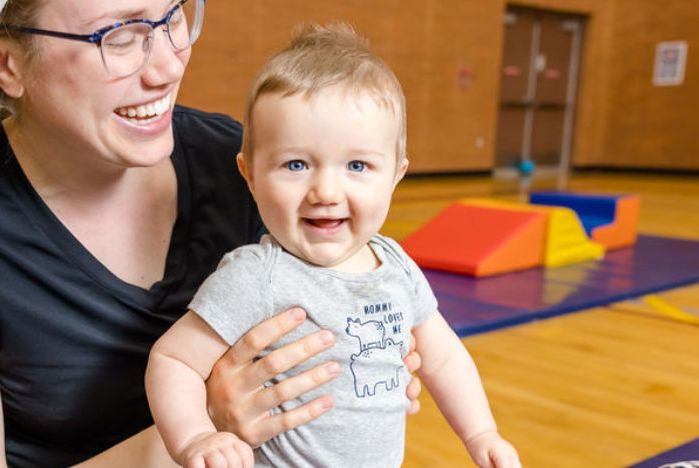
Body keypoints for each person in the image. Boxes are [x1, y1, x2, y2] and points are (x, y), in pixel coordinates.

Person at [0, 0, 423, 466]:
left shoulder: (238, 166)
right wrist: (205, 425)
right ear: (3, 60)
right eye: (119, 36)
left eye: (175, 14)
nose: (167, 66)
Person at [146, 23, 520, 468]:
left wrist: (481, 432)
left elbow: (444, 358)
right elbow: (173, 359)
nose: (325, 190)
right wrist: (196, 438)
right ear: (249, 174)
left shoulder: (396, 267)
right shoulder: (257, 276)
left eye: (357, 165)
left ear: (396, 174)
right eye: (296, 164)